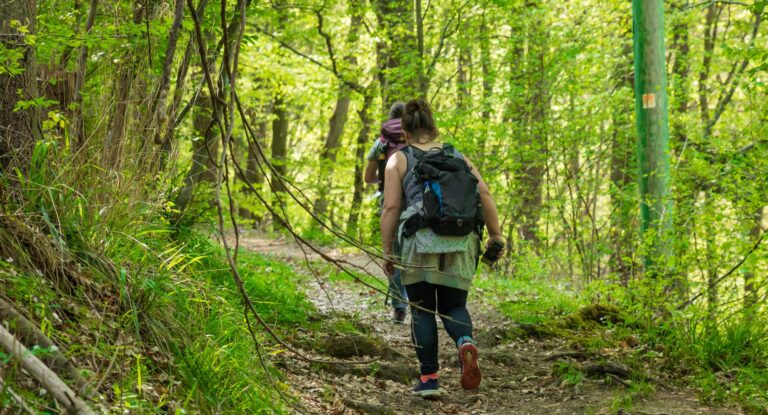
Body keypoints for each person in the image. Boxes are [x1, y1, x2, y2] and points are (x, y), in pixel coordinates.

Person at [380, 98, 503, 398]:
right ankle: (464, 342)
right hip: (462, 240)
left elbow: (391, 207)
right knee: (453, 306)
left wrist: (387, 251)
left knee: (422, 309)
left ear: (405, 133)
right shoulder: (456, 154)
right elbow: (484, 193)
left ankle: (429, 380)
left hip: (419, 240)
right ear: (434, 129)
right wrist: (495, 235)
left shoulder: (398, 159)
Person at [364, 101, 409, 324]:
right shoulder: (416, 139)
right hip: (416, 201)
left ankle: (399, 306)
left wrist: (385, 179)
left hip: (389, 201)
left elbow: (368, 178)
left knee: (393, 253)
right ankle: (421, 304)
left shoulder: (381, 143)